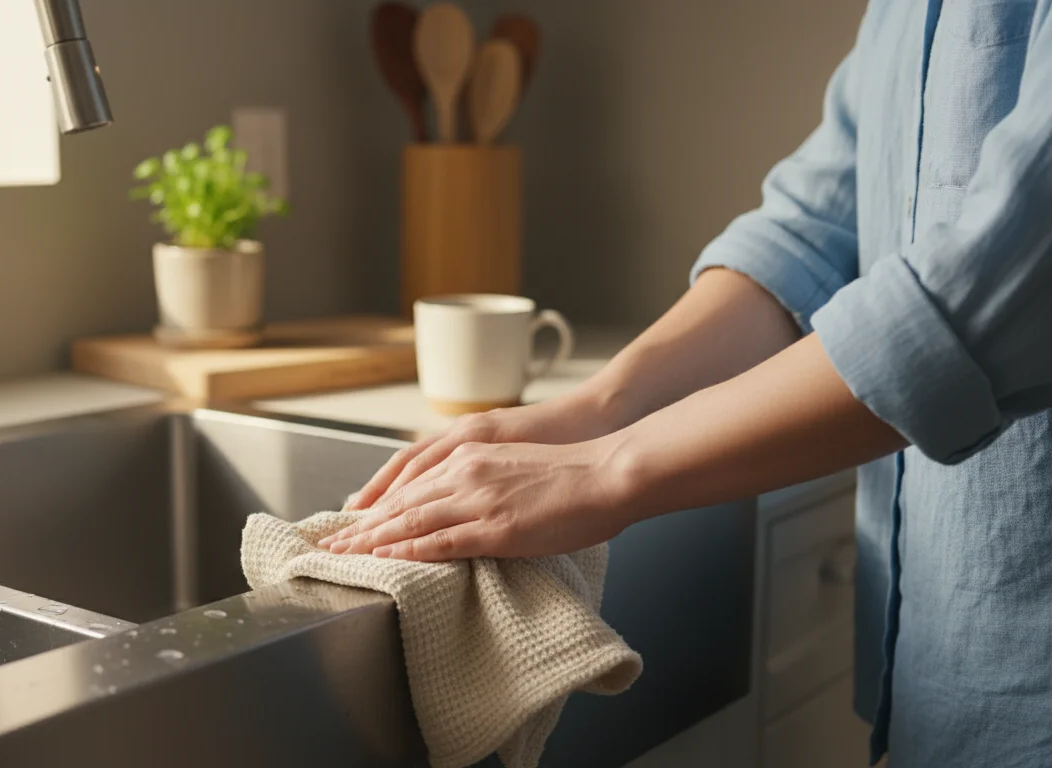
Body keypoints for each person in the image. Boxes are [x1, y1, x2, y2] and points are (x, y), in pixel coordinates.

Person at [318, 2, 1052, 765]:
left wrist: (609, 469)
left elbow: (995, 290)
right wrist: (593, 413)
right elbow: (811, 236)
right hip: (930, 686)